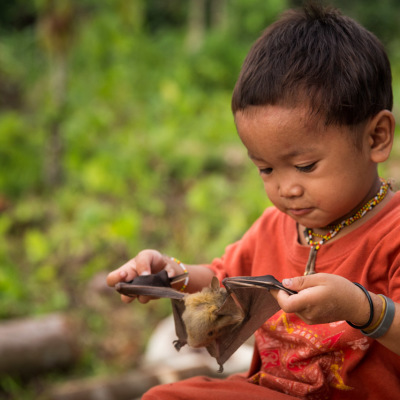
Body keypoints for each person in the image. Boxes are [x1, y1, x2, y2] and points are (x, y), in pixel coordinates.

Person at [107, 3, 400, 399]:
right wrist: (170, 274)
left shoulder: (392, 235)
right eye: (266, 169)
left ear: (376, 137)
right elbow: (221, 288)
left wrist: (363, 309)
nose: (286, 188)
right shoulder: (273, 229)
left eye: (305, 165)